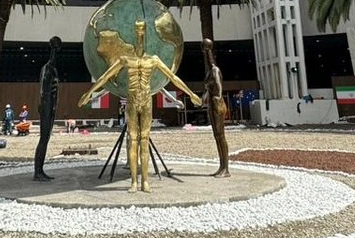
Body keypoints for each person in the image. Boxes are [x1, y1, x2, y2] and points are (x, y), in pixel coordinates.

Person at [79, 20, 203, 193]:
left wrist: (191, 94)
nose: (139, 34)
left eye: (142, 30)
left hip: (146, 100)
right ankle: (134, 182)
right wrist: (88, 94)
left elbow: (173, 78)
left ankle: (145, 181)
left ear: (145, 33)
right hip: (132, 100)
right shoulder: (125, 59)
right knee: (133, 139)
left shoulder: (153, 60)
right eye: (137, 30)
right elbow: (105, 77)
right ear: (133, 33)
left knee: (144, 140)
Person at [201, 39, 230, 178]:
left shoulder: (215, 70)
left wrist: (216, 101)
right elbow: (208, 90)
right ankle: (221, 166)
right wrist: (203, 98)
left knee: (221, 136)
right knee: (217, 136)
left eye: (207, 51)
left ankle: (226, 168)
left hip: (216, 104)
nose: (206, 56)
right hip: (212, 104)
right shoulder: (209, 72)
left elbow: (218, 89)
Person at [34, 37, 60, 181]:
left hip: (50, 104)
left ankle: (40, 170)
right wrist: (54, 49)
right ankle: (37, 172)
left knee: (46, 138)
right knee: (44, 138)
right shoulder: (48, 68)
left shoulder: (51, 69)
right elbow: (44, 90)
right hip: (46, 103)